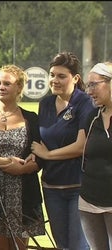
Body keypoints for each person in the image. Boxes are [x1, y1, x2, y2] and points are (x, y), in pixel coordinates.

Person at [0, 64, 45, 250]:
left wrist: (25, 167)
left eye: (7, 83)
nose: (1, 87)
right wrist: (5, 163)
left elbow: (39, 154)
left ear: (19, 88)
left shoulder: (31, 118)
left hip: (22, 195)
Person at [31, 51, 93, 250]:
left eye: (61, 76)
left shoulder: (85, 102)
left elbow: (81, 146)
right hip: (51, 187)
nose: (54, 80)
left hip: (79, 187)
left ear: (75, 78)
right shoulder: (46, 104)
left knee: (79, 246)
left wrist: (47, 155)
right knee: (62, 245)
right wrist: (35, 154)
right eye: (52, 75)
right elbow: (43, 141)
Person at [79, 61, 112, 250]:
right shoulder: (92, 115)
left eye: (94, 84)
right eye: (87, 85)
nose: (89, 91)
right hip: (88, 201)